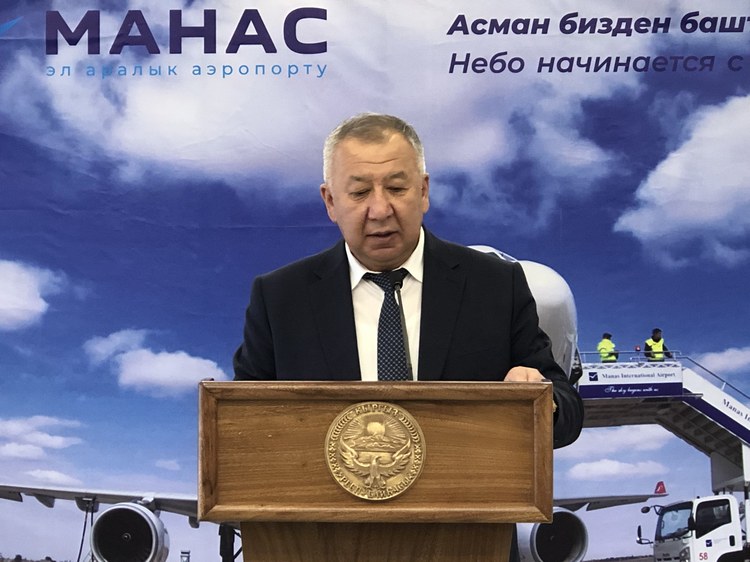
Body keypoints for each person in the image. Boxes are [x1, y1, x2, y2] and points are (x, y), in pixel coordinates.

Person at [233, 112, 583, 449]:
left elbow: (566, 409)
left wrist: (543, 402)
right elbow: (240, 422)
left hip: (463, 489)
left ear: (424, 191)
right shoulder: (280, 299)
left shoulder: (496, 285)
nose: (380, 210)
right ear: (330, 201)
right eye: (360, 193)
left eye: (397, 188)